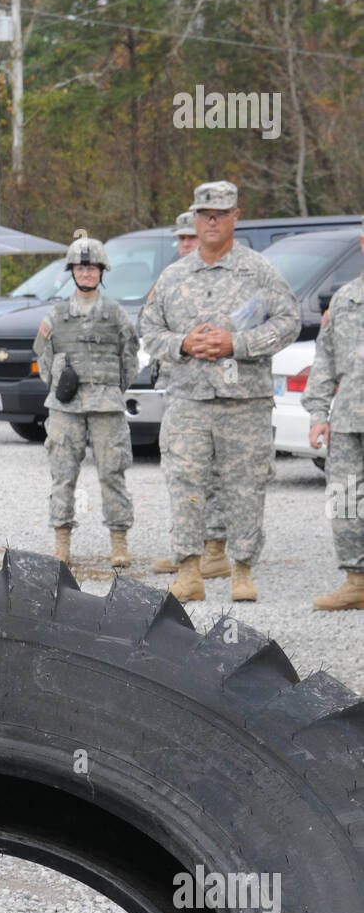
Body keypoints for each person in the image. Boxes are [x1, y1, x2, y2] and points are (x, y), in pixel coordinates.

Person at [139, 181, 300, 603]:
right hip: (189, 400)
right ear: (195, 217)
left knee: (247, 485)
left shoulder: (259, 271)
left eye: (221, 213)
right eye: (204, 214)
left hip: (244, 401)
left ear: (235, 217)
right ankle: (190, 571)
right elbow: (149, 329)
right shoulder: (173, 276)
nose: (212, 221)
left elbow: (288, 322)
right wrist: (183, 344)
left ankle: (241, 570)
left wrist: (237, 344)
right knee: (185, 482)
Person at [33, 228, 139, 569]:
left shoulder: (115, 314)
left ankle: (118, 541)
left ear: (101, 272)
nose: (86, 273)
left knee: (113, 473)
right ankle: (62, 540)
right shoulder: (57, 316)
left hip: (107, 406)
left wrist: (113, 389)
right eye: (80, 268)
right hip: (66, 408)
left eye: (92, 268)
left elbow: (130, 358)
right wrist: (57, 388)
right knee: (63, 474)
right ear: (72, 273)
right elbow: (43, 357)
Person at [152, 210, 230, 581]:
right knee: (180, 470)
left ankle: (214, 549)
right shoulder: (169, 281)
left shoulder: (220, 281)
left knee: (214, 471)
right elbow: (152, 331)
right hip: (179, 388)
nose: (186, 244)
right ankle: (187, 547)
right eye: (181, 239)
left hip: (216, 391)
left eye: (191, 238)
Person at [304, 216, 364, 610]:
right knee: (345, 500)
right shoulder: (346, 299)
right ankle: (356, 581)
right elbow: (324, 360)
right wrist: (317, 414)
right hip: (348, 420)